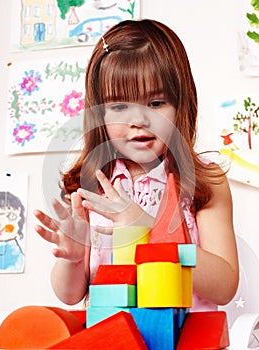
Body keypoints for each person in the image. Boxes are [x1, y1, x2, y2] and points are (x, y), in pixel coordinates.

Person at [34, 19, 239, 311]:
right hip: (112, 336)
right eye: (119, 107)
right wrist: (75, 258)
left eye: (156, 103)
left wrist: (148, 228)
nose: (139, 120)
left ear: (182, 104)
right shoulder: (91, 183)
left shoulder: (206, 180)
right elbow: (69, 295)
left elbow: (225, 286)